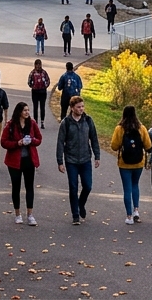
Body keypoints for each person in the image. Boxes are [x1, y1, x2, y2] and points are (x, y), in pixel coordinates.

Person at [55, 95, 101, 225]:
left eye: (82, 106)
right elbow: (60, 143)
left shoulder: (88, 120)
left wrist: (97, 156)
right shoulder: (66, 123)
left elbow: (94, 139)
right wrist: (60, 161)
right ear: (72, 108)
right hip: (71, 160)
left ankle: (81, 203)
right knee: (73, 187)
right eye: (78, 107)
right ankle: (75, 215)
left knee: (87, 186)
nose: (81, 109)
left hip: (85, 159)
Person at [0, 101, 42, 226]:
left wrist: (32, 141)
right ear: (19, 112)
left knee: (29, 187)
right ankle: (17, 214)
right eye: (25, 110)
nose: (27, 112)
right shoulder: (11, 125)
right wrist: (17, 143)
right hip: (14, 161)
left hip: (29, 160)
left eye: (28, 110)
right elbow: (3, 142)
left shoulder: (32, 123)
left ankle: (30, 214)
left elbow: (39, 139)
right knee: (16, 187)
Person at [110, 105, 152, 225]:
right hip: (138, 162)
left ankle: (129, 217)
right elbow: (148, 145)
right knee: (135, 185)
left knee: (127, 189)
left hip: (124, 163)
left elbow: (114, 146)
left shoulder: (119, 129)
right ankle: (136, 211)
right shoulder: (141, 128)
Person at [28, 59, 51, 128]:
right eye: (37, 64)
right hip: (35, 92)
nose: (38, 66)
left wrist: (44, 86)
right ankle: (35, 122)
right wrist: (33, 86)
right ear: (35, 65)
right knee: (35, 107)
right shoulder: (32, 73)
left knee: (42, 107)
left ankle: (42, 121)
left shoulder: (44, 73)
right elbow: (29, 81)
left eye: (39, 64)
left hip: (42, 92)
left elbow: (48, 80)